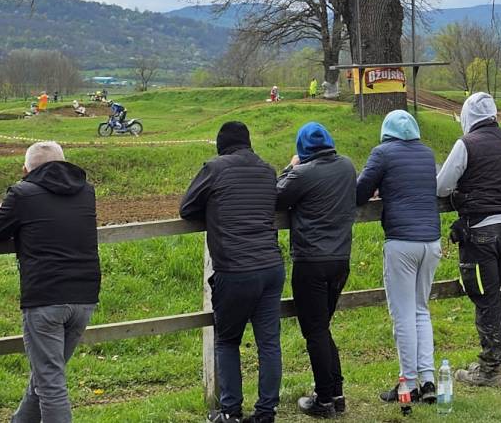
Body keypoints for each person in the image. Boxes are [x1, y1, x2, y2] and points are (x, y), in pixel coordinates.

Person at [180, 122, 283, 423]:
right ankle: (266, 412)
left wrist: (213, 210)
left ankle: (231, 411)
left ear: (220, 145)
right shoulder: (268, 170)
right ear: (248, 142)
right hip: (271, 267)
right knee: (269, 343)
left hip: (235, 268)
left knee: (227, 340)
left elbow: (187, 208)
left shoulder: (214, 168)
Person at [0, 142, 100, 422]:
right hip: (84, 296)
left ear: (26, 170)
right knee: (46, 375)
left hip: (45, 298)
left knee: (50, 383)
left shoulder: (22, 194)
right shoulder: (86, 191)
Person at [357, 110, 443, 404]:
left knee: (403, 315)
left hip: (402, 242)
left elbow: (359, 192)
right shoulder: (427, 154)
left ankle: (408, 383)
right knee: (421, 310)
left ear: (386, 131)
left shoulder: (382, 153)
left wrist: (379, 189)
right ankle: (428, 379)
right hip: (431, 241)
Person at [275, 122, 360, 417]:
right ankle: (336, 394)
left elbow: (276, 198)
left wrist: (289, 167)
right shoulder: (347, 166)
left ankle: (324, 400)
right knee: (322, 327)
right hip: (340, 260)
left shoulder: (302, 174)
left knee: (315, 331)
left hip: (310, 261)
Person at [437, 93, 501, 387]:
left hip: (479, 227)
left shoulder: (467, 144)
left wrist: (460, 193)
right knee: (493, 291)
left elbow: (442, 186)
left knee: (485, 297)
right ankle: (494, 360)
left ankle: (491, 368)